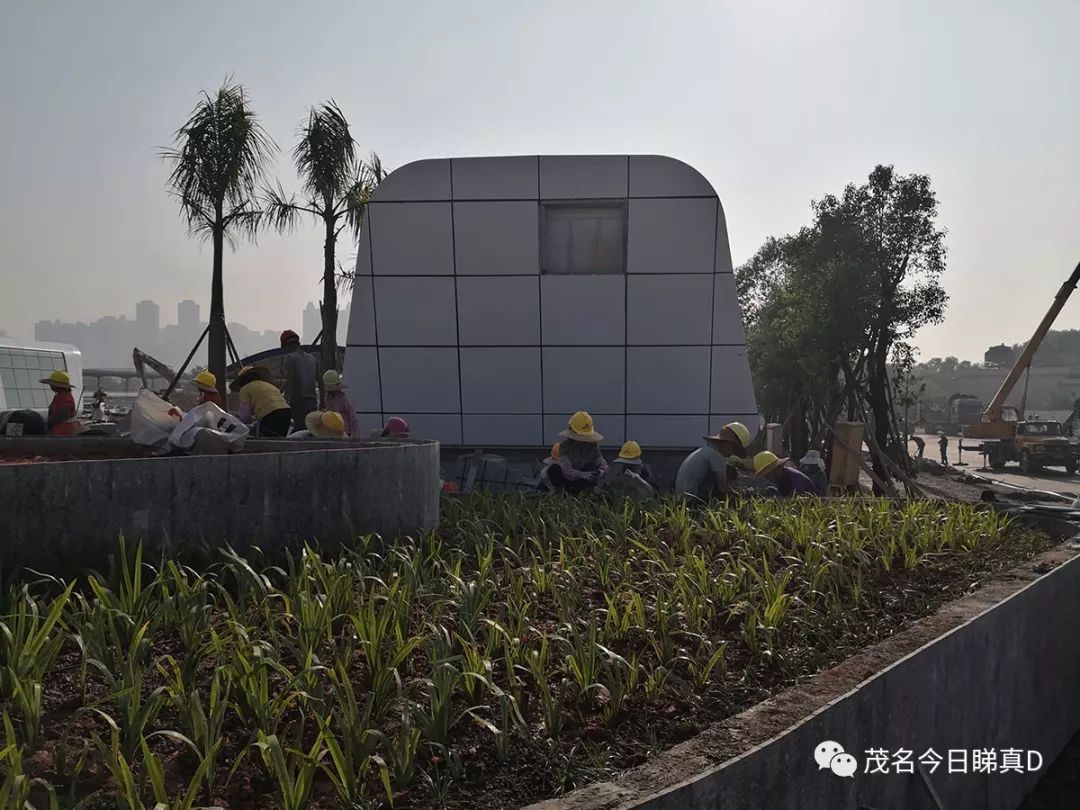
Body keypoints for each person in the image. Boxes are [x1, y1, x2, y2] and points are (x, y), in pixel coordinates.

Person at [674, 422, 750, 501]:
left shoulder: (706, 450)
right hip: (691, 497)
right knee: (728, 472)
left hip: (681, 495)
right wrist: (737, 496)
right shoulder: (716, 456)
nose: (732, 454)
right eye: (734, 449)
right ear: (726, 444)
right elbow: (722, 488)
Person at [548, 411, 607, 494]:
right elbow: (566, 469)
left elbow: (600, 462)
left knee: (593, 468)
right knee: (554, 469)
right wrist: (582, 474)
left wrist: (601, 471)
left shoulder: (593, 445)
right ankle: (559, 494)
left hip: (585, 481)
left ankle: (588, 492)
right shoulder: (564, 446)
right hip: (568, 480)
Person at [230, 365, 292, 438]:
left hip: (271, 415)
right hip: (286, 412)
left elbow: (245, 415)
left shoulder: (245, 389)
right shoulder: (269, 385)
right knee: (279, 440)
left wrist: (237, 425)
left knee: (266, 441)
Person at [280, 330, 318, 432]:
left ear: (286, 345)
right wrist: (322, 402)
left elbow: (291, 379)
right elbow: (321, 383)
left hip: (298, 402)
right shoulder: (312, 359)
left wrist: (285, 401)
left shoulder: (289, 357)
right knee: (310, 430)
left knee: (299, 431)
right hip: (312, 401)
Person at [753, 451, 817, 496]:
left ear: (778, 469)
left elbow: (796, 503)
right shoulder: (781, 478)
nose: (768, 479)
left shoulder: (795, 479)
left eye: (768, 475)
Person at [39, 370, 79, 436]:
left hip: (63, 431)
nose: (50, 385)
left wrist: (46, 421)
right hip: (58, 430)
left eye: (51, 384)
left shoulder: (65, 397)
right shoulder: (60, 396)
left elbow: (63, 416)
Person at [322, 370, 358, 438]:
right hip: (331, 432)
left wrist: (354, 436)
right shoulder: (327, 399)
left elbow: (352, 417)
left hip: (344, 432)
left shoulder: (343, 399)